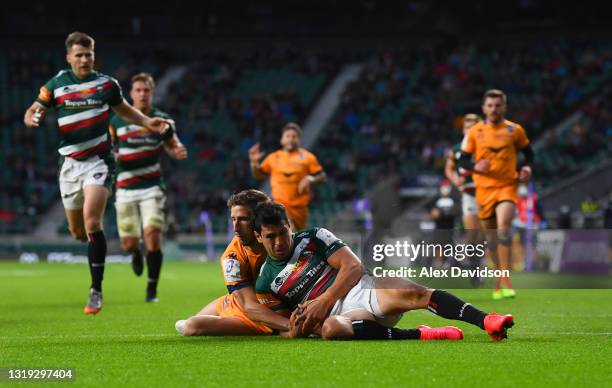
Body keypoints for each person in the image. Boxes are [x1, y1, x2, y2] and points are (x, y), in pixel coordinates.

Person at [23, 32, 168, 314]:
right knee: (78, 231)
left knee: (92, 223)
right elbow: (34, 108)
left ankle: (96, 290)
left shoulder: (106, 84)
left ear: (94, 55)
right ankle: (91, 249)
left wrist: (149, 122)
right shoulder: (57, 84)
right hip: (70, 166)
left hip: (99, 162)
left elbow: (126, 111)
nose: (84, 59)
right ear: (69, 57)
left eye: (88, 54)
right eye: (79, 55)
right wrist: (33, 117)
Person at [254, 202, 515, 341]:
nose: (279, 242)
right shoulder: (265, 282)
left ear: (289, 226)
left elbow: (353, 267)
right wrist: (297, 331)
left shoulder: (314, 237)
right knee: (332, 330)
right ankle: (419, 334)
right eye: (270, 237)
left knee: (412, 291)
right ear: (258, 237)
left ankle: (486, 321)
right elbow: (285, 326)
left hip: (360, 289)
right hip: (337, 318)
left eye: (283, 233)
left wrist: (324, 299)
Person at [109, 72, 187, 302]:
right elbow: (110, 150)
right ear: (130, 94)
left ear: (152, 93)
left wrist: (178, 152)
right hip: (125, 188)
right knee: (129, 243)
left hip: (152, 187)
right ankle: (134, 253)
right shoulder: (116, 121)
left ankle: (152, 289)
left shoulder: (161, 121)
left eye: (146, 90)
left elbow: (173, 146)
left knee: (152, 235)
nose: (142, 94)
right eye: (138, 90)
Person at [176, 190, 291, 336]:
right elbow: (249, 306)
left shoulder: (283, 241)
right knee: (191, 324)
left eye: (243, 219)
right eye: (233, 219)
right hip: (250, 307)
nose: (236, 228)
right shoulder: (231, 257)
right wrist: (289, 325)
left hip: (267, 310)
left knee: (193, 325)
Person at [459, 89, 534, 300]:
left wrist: (527, 167)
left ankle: (506, 279)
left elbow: (529, 153)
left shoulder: (514, 130)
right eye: (490, 105)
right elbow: (463, 160)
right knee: (491, 240)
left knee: (504, 227)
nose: (494, 109)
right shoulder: (475, 132)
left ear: (504, 107)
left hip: (507, 186)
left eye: (498, 105)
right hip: (483, 191)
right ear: (484, 108)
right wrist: (475, 167)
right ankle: (498, 279)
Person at [248, 123, 326, 231]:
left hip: (300, 209)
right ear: (282, 139)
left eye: (294, 136)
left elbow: (322, 176)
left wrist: (310, 179)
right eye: (288, 136)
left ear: (299, 140)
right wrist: (254, 163)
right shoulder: (273, 157)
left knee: (295, 239)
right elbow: (259, 175)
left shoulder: (308, 157)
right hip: (279, 204)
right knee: (287, 230)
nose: (291, 139)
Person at [445, 113, 484, 285]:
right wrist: (455, 180)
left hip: (485, 194)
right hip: (468, 194)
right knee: (472, 233)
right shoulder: (457, 150)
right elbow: (449, 169)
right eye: (467, 127)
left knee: (482, 236)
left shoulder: (485, 147)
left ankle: (475, 269)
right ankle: (464, 263)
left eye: (474, 127)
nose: (470, 130)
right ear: (463, 130)